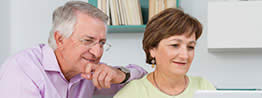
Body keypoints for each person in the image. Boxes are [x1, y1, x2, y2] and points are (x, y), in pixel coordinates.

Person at [0, 1, 147, 98]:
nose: (97, 53)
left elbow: (144, 79)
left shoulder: (89, 73)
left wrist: (120, 75)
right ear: (60, 39)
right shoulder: (22, 70)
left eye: (102, 43)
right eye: (88, 41)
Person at [114, 8, 216, 98]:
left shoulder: (203, 87)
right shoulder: (133, 93)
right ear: (152, 49)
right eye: (175, 45)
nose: (184, 55)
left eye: (190, 47)